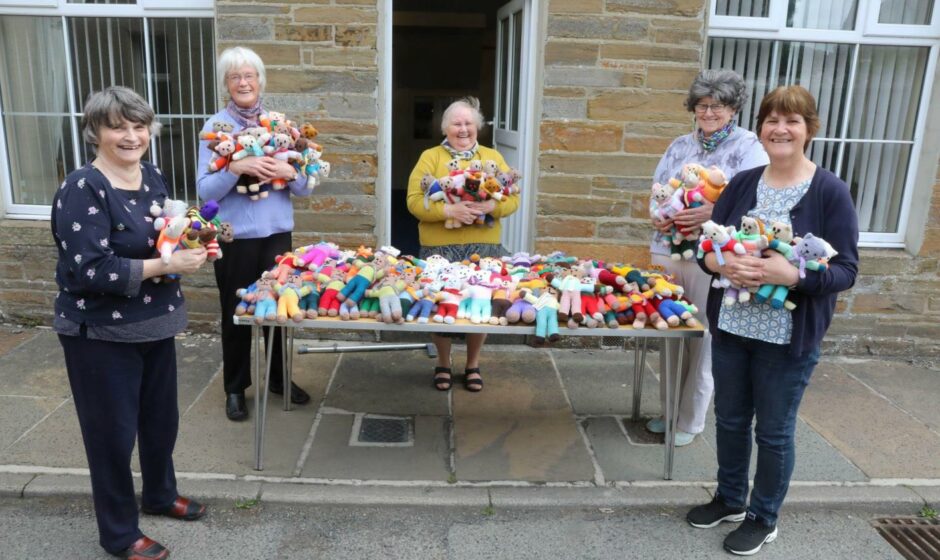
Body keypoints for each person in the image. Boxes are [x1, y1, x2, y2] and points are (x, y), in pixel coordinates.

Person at [687, 85, 858, 555]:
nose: (781, 129)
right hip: (733, 330)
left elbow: (846, 270)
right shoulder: (744, 183)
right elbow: (708, 247)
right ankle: (729, 499)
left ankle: (764, 516)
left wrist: (794, 274)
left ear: (809, 129)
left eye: (793, 120)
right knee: (730, 419)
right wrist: (720, 264)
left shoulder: (829, 190)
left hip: (787, 338)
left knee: (774, 430)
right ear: (760, 127)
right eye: (772, 120)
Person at [52, 86, 208, 560]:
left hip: (156, 324)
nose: (130, 135)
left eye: (139, 125)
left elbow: (165, 236)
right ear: (95, 131)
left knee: (160, 423)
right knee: (112, 436)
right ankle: (119, 533)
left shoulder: (153, 176)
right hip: (100, 334)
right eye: (117, 126)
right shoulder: (82, 188)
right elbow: (90, 269)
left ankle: (159, 494)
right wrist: (167, 266)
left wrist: (196, 240)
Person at [647, 69, 769, 446]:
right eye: (702, 105)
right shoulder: (679, 145)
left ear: (733, 108)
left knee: (702, 335)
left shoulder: (749, 147)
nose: (709, 112)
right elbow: (656, 193)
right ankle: (668, 411)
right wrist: (663, 213)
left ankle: (690, 420)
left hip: (714, 255)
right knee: (671, 333)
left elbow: (756, 203)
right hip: (669, 247)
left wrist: (712, 214)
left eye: (717, 105)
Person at [196, 46, 313, 421]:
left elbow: (305, 187)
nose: (243, 82)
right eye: (235, 77)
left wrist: (296, 174)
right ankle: (235, 388)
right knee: (236, 314)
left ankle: (279, 379)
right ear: (226, 84)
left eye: (249, 75)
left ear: (260, 80)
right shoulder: (216, 128)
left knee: (278, 310)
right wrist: (238, 167)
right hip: (236, 240)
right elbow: (205, 190)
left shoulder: (281, 126)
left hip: (277, 237)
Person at [405, 96, 520, 392]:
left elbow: (513, 198)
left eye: (469, 123)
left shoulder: (492, 157)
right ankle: (443, 362)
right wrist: (448, 211)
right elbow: (414, 202)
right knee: (442, 304)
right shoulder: (430, 157)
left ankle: (472, 364)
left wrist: (491, 208)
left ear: (478, 127)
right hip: (439, 249)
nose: (463, 129)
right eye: (456, 123)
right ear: (445, 127)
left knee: (478, 304)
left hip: (484, 248)